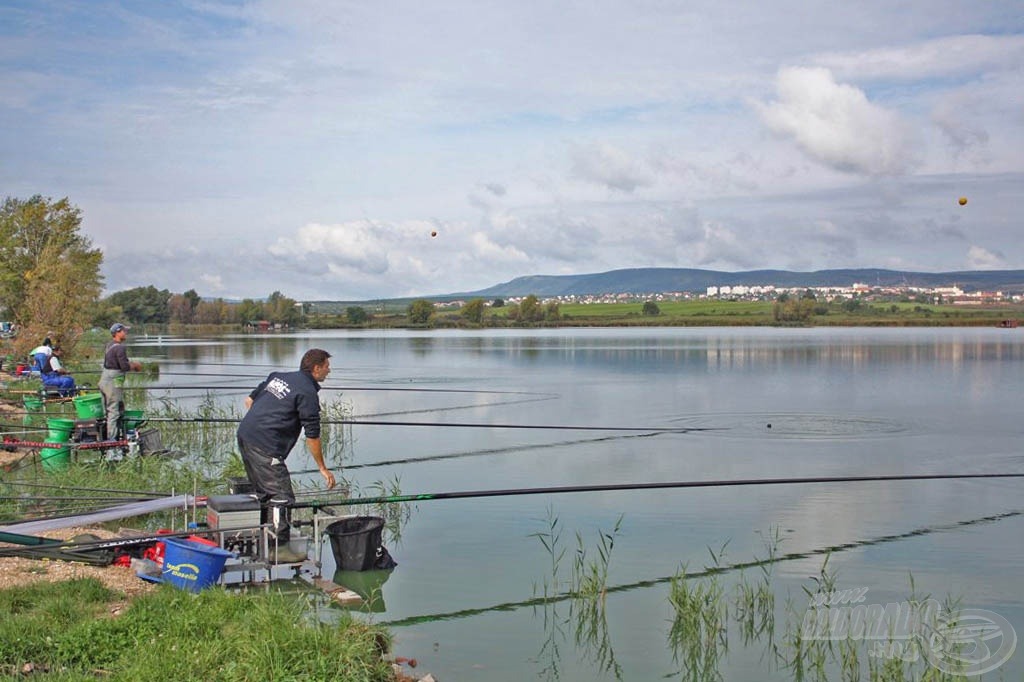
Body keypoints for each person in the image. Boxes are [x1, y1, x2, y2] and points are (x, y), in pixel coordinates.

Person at [236, 348, 336, 563]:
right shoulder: (308, 393)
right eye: (327, 366)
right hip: (265, 447)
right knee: (282, 497)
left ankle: (264, 541)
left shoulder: (279, 377)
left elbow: (249, 400)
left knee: (265, 493)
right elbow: (312, 436)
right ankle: (278, 549)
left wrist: (265, 418)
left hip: (245, 436)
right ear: (316, 368)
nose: (329, 370)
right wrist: (322, 467)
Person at [98, 323, 142, 439]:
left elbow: (116, 363)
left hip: (104, 380)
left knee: (109, 411)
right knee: (113, 412)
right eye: (124, 331)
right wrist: (135, 366)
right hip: (112, 382)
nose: (126, 333)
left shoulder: (109, 345)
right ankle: (112, 441)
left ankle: (114, 436)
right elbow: (124, 367)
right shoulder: (120, 347)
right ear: (117, 333)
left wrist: (130, 364)